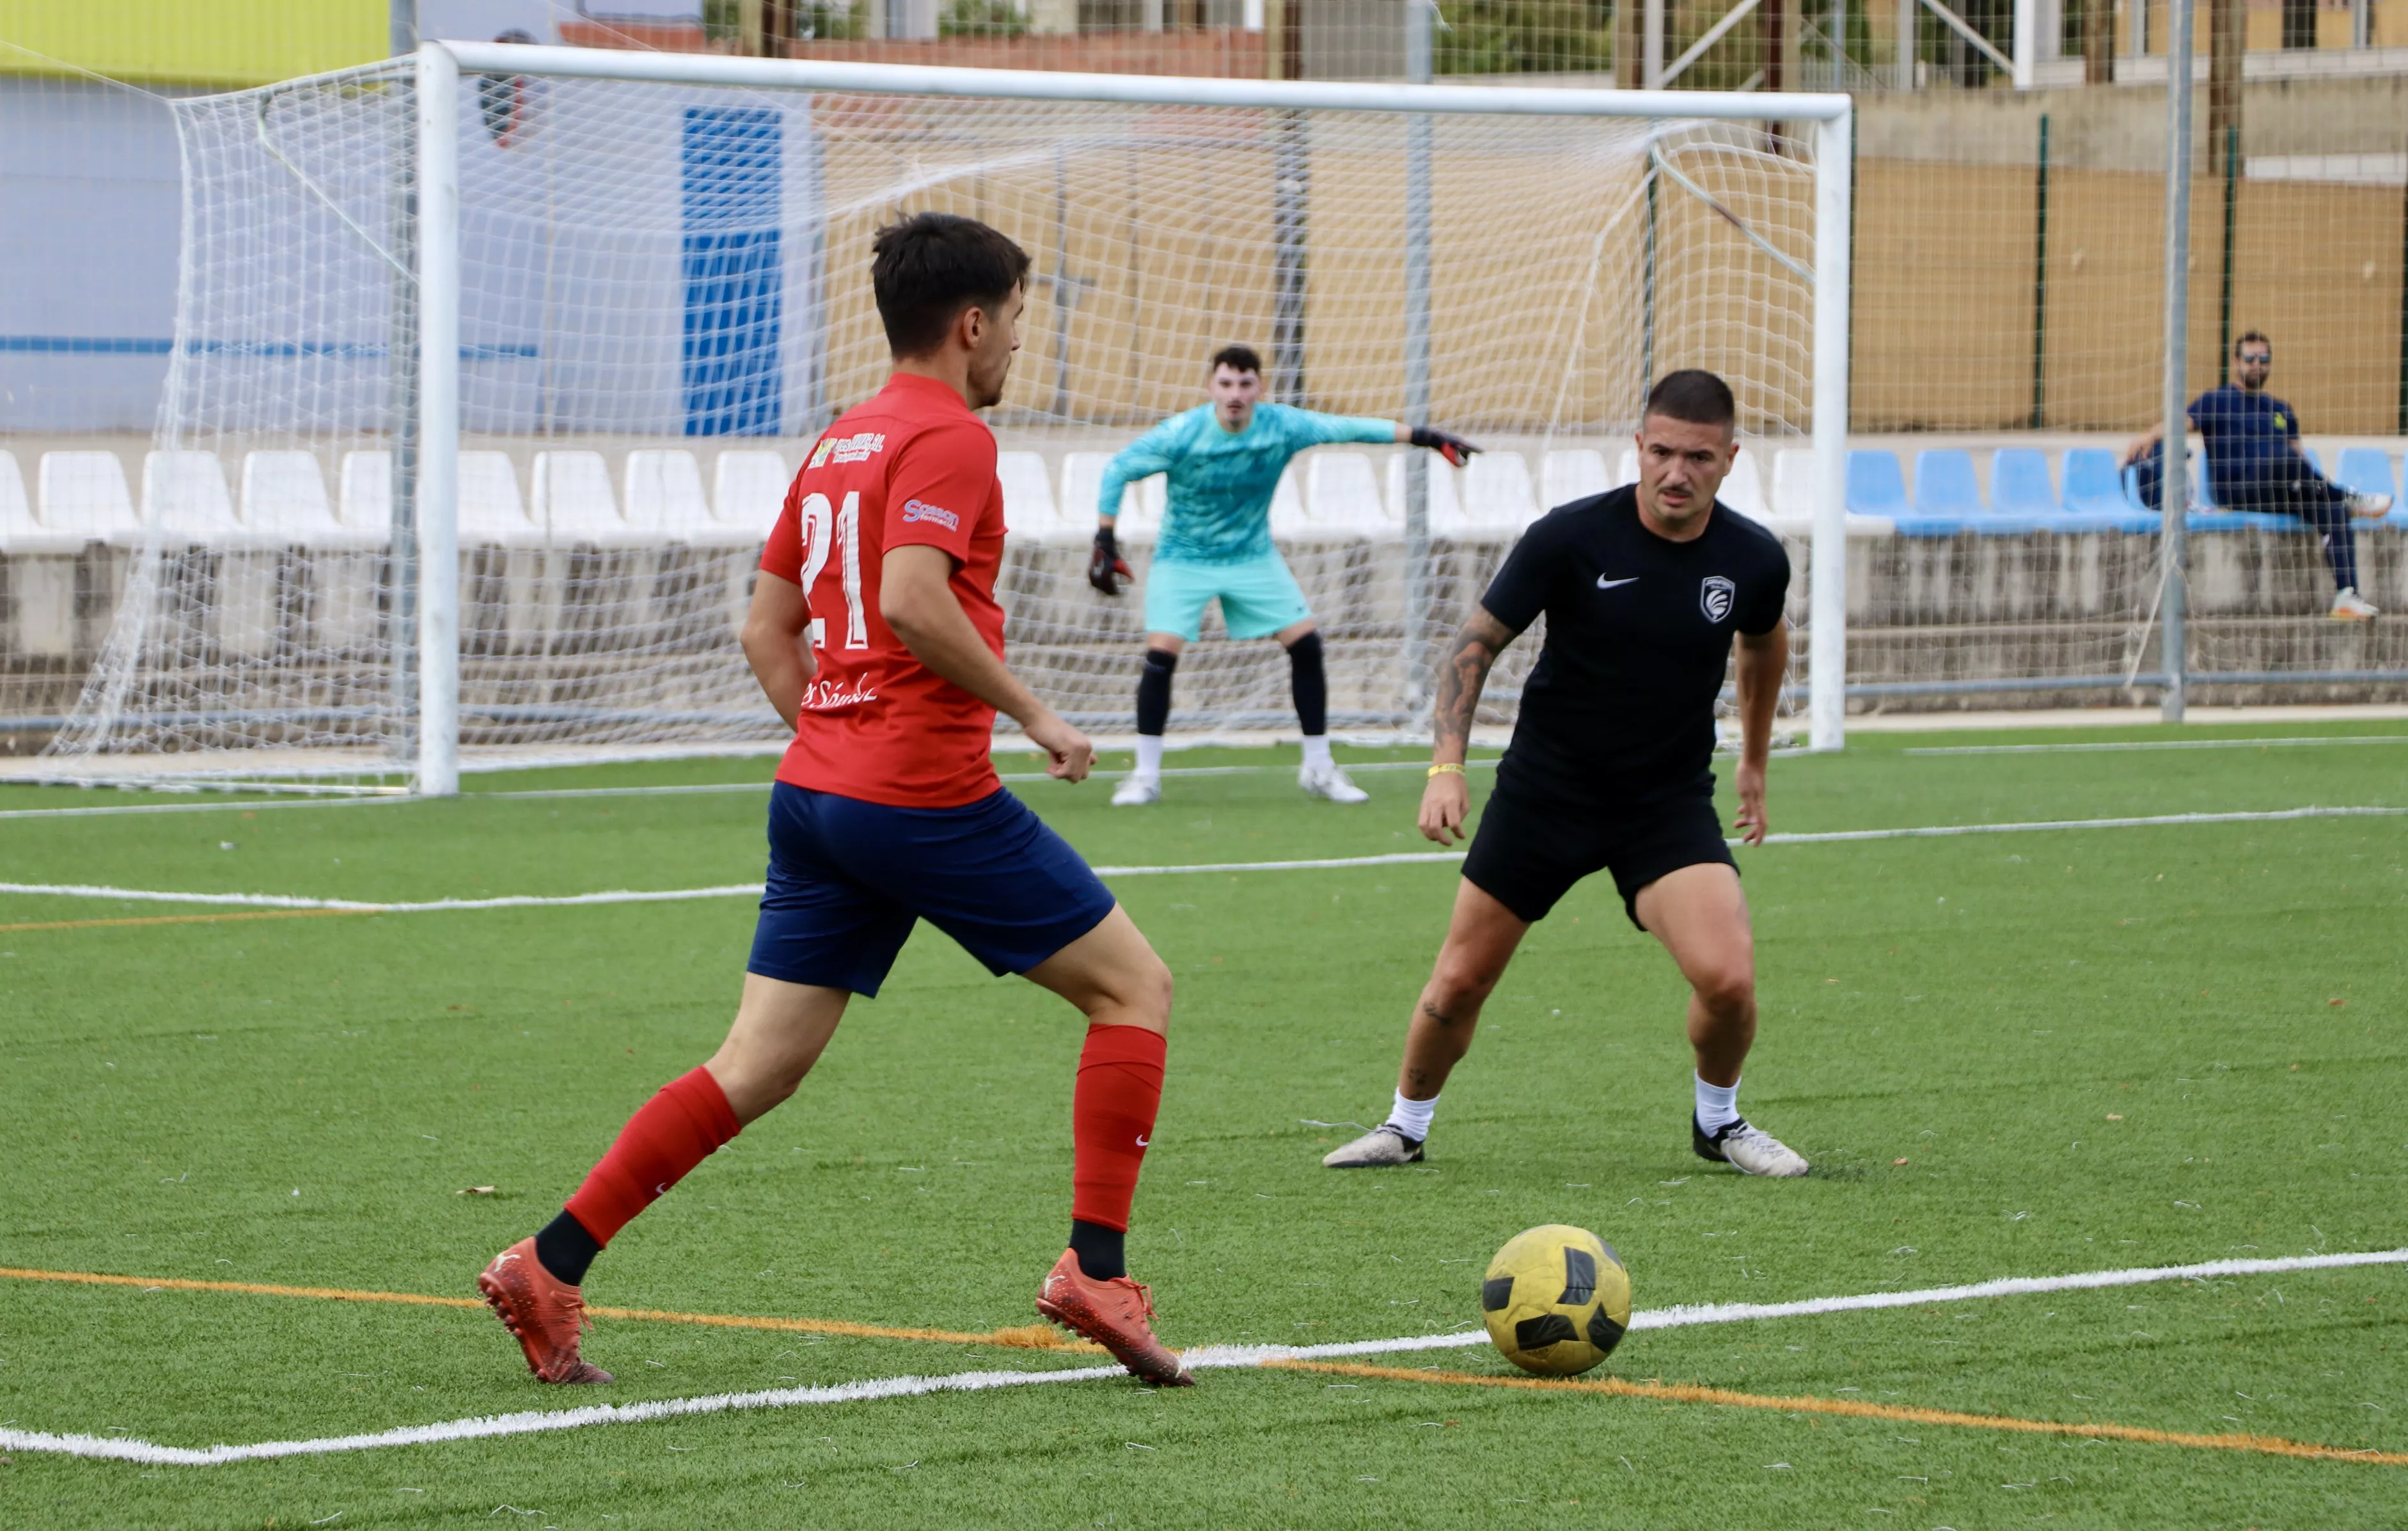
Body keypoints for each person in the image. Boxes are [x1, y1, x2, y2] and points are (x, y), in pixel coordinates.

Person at [478, 212, 1192, 1389]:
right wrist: (1039, 715)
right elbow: (913, 599)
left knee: (755, 1064)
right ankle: (1096, 1269)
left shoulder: (839, 442)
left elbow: (766, 626)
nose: (1017, 340)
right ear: (972, 324)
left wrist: (838, 736)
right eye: (1016, 318)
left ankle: (549, 1263)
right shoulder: (953, 437)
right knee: (1135, 988)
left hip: (815, 792)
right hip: (919, 792)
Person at [1319, 370, 1809, 1178]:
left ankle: (1718, 1121)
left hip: (1664, 804)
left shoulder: (1753, 557)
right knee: (1459, 982)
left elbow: (1764, 642)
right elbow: (1473, 647)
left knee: (1728, 979)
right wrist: (1447, 767)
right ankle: (1403, 1125)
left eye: (1697, 456)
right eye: (1660, 452)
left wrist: (1754, 757)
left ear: (1729, 459)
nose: (1675, 473)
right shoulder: (1571, 537)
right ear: (1638, 446)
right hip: (1546, 795)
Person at [1088, 344, 1481, 806]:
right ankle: (1145, 775)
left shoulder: (1281, 425)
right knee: (1161, 654)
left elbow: (1346, 428)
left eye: (1245, 383)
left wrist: (1426, 437)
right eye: (1226, 383)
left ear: (1260, 387)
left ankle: (1318, 767)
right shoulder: (1181, 433)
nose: (1235, 393)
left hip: (1251, 556)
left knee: (1307, 644)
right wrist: (1104, 540)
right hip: (1183, 558)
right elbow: (1117, 470)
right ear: (1210, 387)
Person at [2123, 331, 2392, 621]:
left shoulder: (2280, 410)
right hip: (2239, 488)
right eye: (2249, 358)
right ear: (2236, 361)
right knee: (2287, 460)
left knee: (2332, 508)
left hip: (2278, 491)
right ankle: (2349, 496)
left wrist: (2314, 487)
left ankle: (2347, 595)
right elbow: (2181, 423)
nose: (2256, 365)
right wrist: (2147, 436)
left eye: (2263, 359)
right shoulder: (2218, 400)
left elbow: (2301, 463)